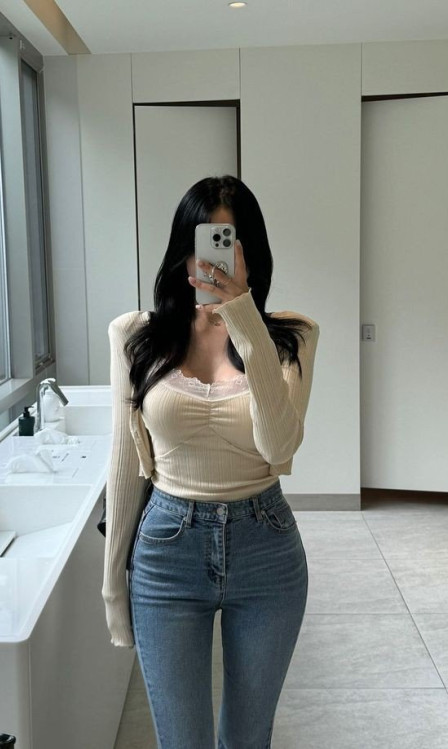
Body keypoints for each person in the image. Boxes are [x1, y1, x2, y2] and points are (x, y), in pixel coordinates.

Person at [102, 175, 320, 749]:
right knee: (182, 741)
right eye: (206, 241)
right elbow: (124, 464)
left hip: (266, 547)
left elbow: (278, 449)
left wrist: (243, 319)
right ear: (184, 247)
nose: (215, 259)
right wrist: (112, 583)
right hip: (166, 550)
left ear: (252, 254)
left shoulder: (293, 337)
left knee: (248, 738)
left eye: (231, 242)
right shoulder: (135, 336)